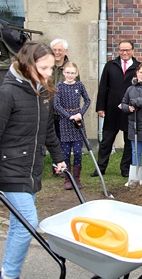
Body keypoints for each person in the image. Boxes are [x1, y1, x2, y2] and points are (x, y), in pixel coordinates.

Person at [0, 41, 67, 279]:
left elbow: (48, 132)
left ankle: (7, 271)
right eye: (43, 68)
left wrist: (59, 158)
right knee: (27, 223)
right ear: (27, 64)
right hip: (10, 168)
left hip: (32, 168)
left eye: (50, 68)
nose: (48, 74)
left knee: (19, 226)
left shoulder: (42, 91)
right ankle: (9, 275)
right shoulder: (7, 92)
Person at [94, 40, 140, 178]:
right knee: (107, 140)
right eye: (121, 50)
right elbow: (103, 87)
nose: (124, 53)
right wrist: (100, 107)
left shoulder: (138, 67)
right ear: (118, 50)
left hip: (130, 110)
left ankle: (125, 169)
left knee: (128, 141)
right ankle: (100, 168)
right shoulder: (110, 65)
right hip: (112, 108)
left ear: (133, 50)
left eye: (127, 50)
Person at [54, 61, 91, 190]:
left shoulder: (79, 85)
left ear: (76, 74)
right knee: (65, 153)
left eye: (72, 73)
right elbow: (56, 105)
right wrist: (67, 116)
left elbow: (87, 100)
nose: (70, 75)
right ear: (64, 73)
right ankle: (67, 179)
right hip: (65, 121)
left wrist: (80, 113)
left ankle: (76, 178)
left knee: (77, 152)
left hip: (78, 121)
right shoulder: (59, 86)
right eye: (68, 73)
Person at [49, 38, 79, 177]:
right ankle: (54, 166)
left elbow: (77, 90)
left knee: (62, 141)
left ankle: (62, 168)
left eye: (59, 50)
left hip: (64, 113)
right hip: (48, 109)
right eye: (54, 50)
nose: (57, 52)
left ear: (65, 51)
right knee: (51, 139)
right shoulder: (47, 66)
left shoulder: (70, 69)